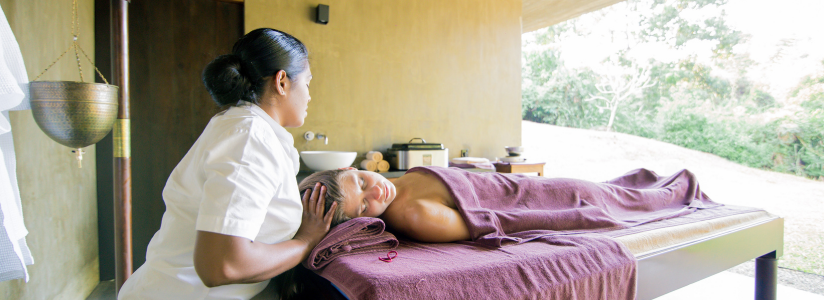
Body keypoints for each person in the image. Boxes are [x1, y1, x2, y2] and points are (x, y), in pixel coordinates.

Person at [118, 28, 338, 300]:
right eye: (307, 83)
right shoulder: (249, 139)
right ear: (282, 81)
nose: (309, 96)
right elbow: (221, 265)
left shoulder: (249, 129)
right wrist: (304, 243)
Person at [299, 165, 718, 244]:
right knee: (635, 202)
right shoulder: (414, 216)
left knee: (623, 191)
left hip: (533, 183)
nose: (377, 192)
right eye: (366, 205)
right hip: (551, 199)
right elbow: (498, 222)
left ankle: (669, 187)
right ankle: (680, 191)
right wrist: (574, 218)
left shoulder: (393, 183)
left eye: (362, 179)